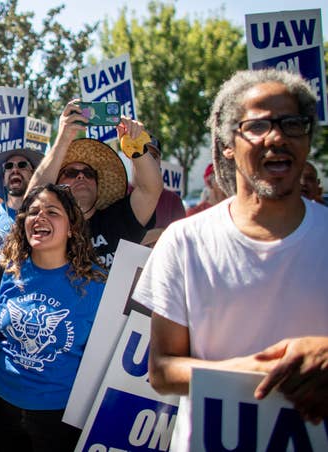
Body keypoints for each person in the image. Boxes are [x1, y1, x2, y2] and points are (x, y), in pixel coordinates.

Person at [132, 69, 328, 451]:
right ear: (227, 142)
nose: (276, 137)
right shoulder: (184, 241)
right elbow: (163, 370)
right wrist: (256, 373)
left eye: (292, 124)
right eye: (257, 125)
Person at [0, 184, 106, 451]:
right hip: (0, 412)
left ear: (72, 228)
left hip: (62, 420)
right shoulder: (2, 271)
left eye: (52, 212)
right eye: (32, 212)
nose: (40, 218)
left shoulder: (96, 286)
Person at [28, 104, 163, 268]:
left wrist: (136, 146)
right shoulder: (45, 224)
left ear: (98, 187)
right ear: (55, 186)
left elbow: (151, 190)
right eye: (70, 173)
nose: (80, 175)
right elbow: (31, 201)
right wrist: (63, 139)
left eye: (89, 173)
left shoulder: (117, 220)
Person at [0, 148, 43, 245]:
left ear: (33, 176)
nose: (15, 170)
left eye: (22, 165)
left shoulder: (43, 216)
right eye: (8, 166)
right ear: (3, 180)